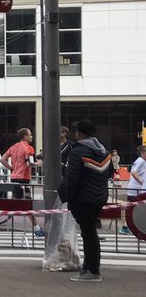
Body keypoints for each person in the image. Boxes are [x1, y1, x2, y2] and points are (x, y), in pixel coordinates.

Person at [60, 120, 111, 282]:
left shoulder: (77, 152)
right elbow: (109, 173)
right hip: (99, 198)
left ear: (79, 134)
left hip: (82, 199)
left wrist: (67, 197)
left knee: (88, 234)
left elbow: (72, 178)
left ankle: (92, 270)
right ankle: (89, 267)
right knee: (90, 233)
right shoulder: (105, 152)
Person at [0, 127, 44, 237]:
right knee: (27, 203)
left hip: (15, 177)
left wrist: (11, 168)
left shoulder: (14, 147)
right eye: (30, 135)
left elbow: (2, 159)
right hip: (23, 179)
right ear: (25, 136)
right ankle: (37, 230)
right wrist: (40, 162)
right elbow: (30, 163)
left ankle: (37, 229)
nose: (31, 137)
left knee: (18, 202)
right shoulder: (29, 149)